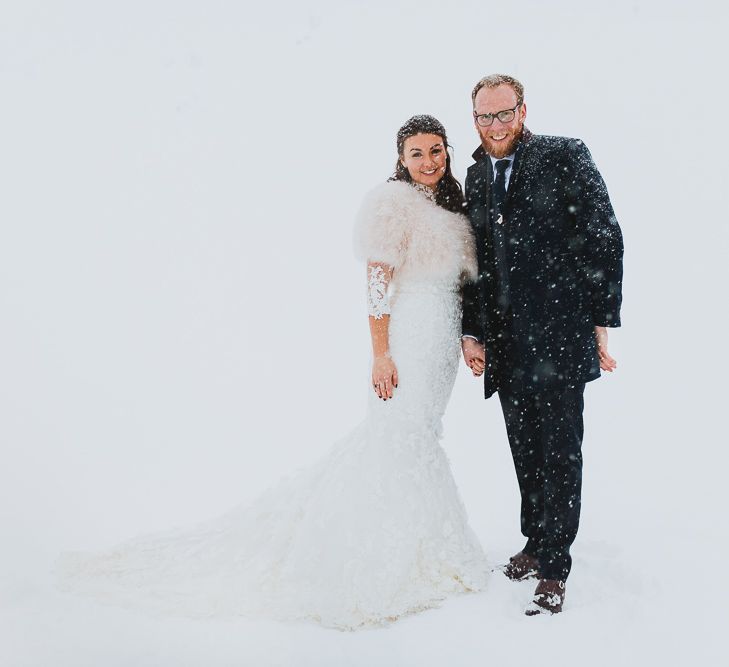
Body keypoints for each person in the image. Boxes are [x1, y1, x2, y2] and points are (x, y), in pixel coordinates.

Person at [58, 115, 489, 630]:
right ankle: (376, 554)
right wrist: (380, 354)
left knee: (419, 433)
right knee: (398, 434)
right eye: (416, 152)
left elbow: (465, 287)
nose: (428, 161)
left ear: (447, 152)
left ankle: (418, 539)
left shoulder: (453, 205)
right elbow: (377, 287)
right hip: (408, 337)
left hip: (441, 341)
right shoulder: (390, 205)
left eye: (436, 150)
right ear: (401, 157)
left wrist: (467, 337)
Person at [461, 74, 624, 615]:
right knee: (524, 450)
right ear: (474, 119)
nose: (495, 126)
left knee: (560, 451)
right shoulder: (476, 174)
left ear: (523, 110)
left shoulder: (564, 156)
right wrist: (475, 329)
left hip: (558, 337)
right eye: (485, 117)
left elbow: (603, 234)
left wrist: (601, 317)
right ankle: (535, 542)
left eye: (504, 114)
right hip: (507, 344)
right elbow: (476, 262)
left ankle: (555, 567)